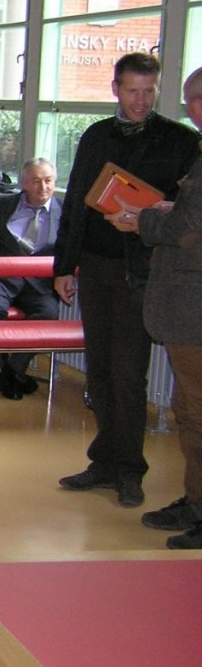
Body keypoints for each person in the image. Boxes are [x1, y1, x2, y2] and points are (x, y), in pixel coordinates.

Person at [55, 52, 201, 510]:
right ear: (115, 88)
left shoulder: (181, 140)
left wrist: (152, 213)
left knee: (128, 373)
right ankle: (104, 460)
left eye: (149, 91)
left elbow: (186, 214)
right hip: (96, 264)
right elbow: (76, 201)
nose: (140, 101)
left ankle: (130, 470)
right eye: (132, 91)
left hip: (145, 269)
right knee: (99, 369)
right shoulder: (96, 135)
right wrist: (64, 265)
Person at [107, 66, 202, 548]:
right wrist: (166, 211)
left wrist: (141, 222)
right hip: (186, 307)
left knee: (197, 412)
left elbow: (188, 230)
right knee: (188, 409)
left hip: (193, 307)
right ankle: (195, 501)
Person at [0, 158, 62, 400]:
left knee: (48, 314)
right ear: (24, 183)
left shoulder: (65, 212)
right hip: (2, 278)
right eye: (36, 181)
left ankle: (12, 371)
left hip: (39, 283)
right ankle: (6, 368)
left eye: (48, 181)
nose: (43, 187)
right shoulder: (2, 205)